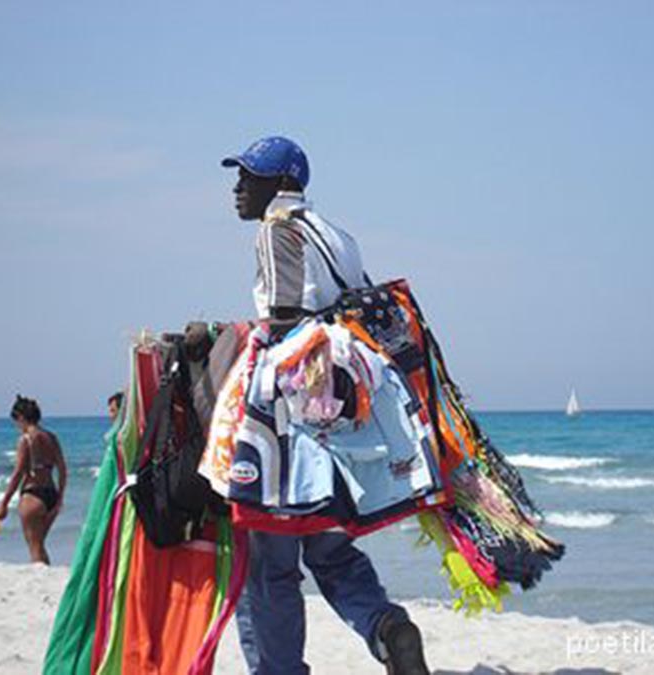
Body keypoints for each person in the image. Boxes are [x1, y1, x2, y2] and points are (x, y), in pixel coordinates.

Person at [221, 136, 430, 675]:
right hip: (342, 411)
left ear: (282, 183)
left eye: (250, 176)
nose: (239, 188)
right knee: (329, 550)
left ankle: (279, 670)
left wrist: (230, 340)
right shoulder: (339, 236)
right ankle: (386, 627)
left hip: (292, 416)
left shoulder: (276, 231)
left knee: (267, 562)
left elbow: (286, 317)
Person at [0, 395, 67, 564]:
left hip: (32, 495)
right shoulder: (51, 437)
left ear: (21, 417)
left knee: (35, 547)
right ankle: (46, 577)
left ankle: (42, 581)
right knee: (39, 544)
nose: (17, 426)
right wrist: (60, 498)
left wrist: (4, 503)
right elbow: (63, 470)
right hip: (51, 494)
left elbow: (18, 472)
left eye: (16, 421)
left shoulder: (25, 440)